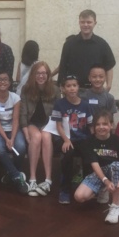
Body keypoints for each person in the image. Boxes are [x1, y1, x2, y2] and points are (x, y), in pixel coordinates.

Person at [74, 110, 119, 224]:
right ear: (94, 127)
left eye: (105, 124)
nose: (101, 127)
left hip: (116, 171)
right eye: (98, 124)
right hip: (99, 172)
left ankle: (116, 207)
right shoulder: (89, 141)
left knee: (116, 165)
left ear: (111, 125)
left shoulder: (118, 141)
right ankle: (103, 189)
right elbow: (94, 164)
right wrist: (105, 181)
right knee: (79, 197)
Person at [20, 61, 59, 197]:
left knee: (46, 137)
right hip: (32, 123)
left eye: (44, 73)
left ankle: (48, 180)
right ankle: (32, 179)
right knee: (36, 138)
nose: (41, 76)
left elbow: (57, 112)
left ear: (48, 75)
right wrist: (25, 132)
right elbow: (23, 113)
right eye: (38, 73)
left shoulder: (55, 89)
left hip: (49, 123)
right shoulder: (26, 89)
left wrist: (53, 127)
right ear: (33, 75)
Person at [0, 70, 29, 194]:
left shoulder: (15, 97)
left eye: (5, 79)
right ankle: (17, 176)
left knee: (20, 147)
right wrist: (6, 139)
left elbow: (16, 120)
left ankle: (12, 174)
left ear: (10, 82)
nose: (2, 82)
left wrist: (12, 138)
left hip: (14, 130)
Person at [52, 75, 91, 204]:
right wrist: (66, 140)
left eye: (74, 85)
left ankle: (88, 188)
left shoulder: (86, 105)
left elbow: (90, 127)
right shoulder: (59, 104)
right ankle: (65, 190)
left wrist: (93, 142)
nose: (72, 88)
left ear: (78, 87)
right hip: (66, 138)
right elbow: (58, 125)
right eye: (68, 86)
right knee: (67, 156)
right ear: (63, 88)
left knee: (89, 157)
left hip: (83, 139)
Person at [57, 9, 116, 90]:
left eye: (89, 22)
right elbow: (63, 66)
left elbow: (109, 66)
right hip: (74, 90)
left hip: (95, 90)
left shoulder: (102, 44)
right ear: (79, 23)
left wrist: (109, 85)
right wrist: (61, 85)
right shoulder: (69, 44)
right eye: (82, 22)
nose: (85, 25)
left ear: (95, 23)